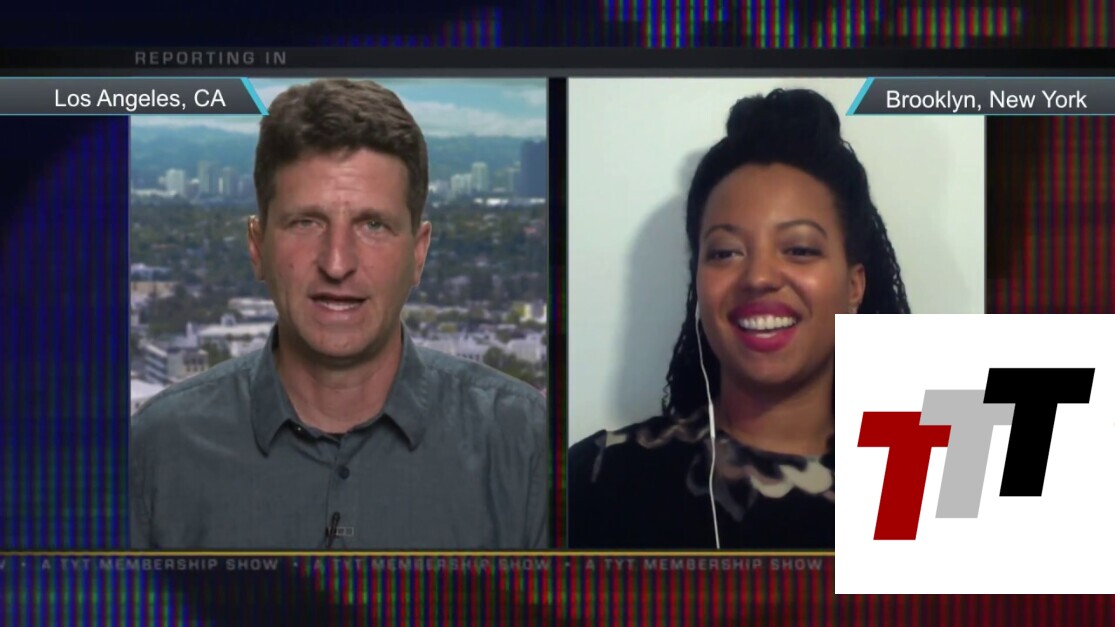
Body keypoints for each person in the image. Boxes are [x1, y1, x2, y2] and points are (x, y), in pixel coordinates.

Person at [130, 79, 549, 550]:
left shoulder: (524, 443)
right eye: (306, 222)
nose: (336, 263)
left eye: (373, 225)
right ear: (257, 246)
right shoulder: (157, 448)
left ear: (418, 253)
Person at [567, 88, 910, 550]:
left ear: (854, 286)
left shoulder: (934, 489)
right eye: (725, 252)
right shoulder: (598, 481)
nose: (759, 277)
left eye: (799, 249)